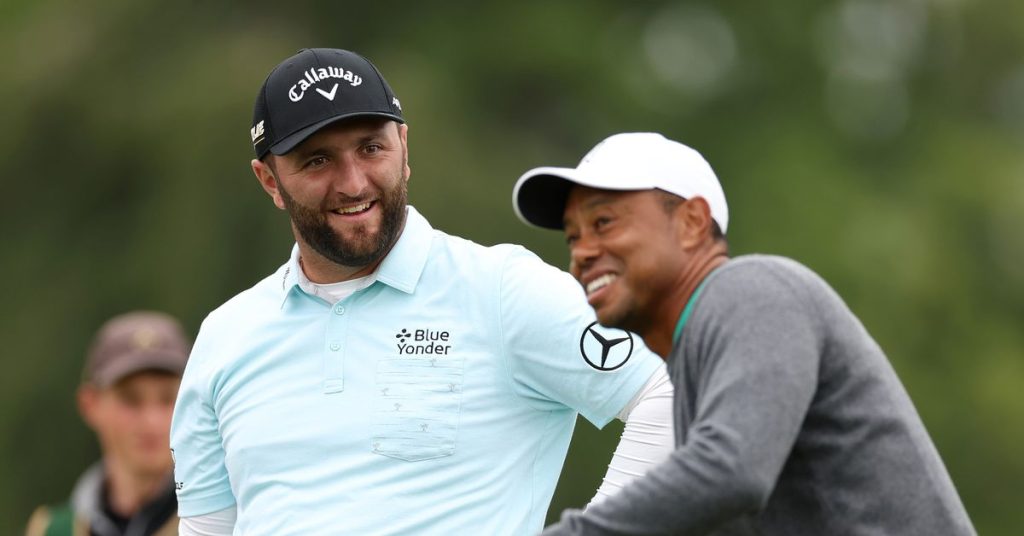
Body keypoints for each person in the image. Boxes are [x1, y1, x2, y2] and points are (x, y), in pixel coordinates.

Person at [170, 48, 674, 536]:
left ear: (404, 149)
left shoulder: (502, 289)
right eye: (317, 160)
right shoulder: (225, 337)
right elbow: (206, 527)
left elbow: (674, 387)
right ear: (270, 181)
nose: (353, 184)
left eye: (371, 148)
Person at [512, 132, 977, 535]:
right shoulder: (698, 367)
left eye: (604, 223)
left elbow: (730, 472)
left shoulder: (752, 290)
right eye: (573, 237)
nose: (582, 253)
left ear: (692, 223)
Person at [25, 311, 190, 536]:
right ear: (90, 404)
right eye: (131, 399)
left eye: (168, 399)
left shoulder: (223, 523)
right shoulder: (51, 530)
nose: (151, 421)